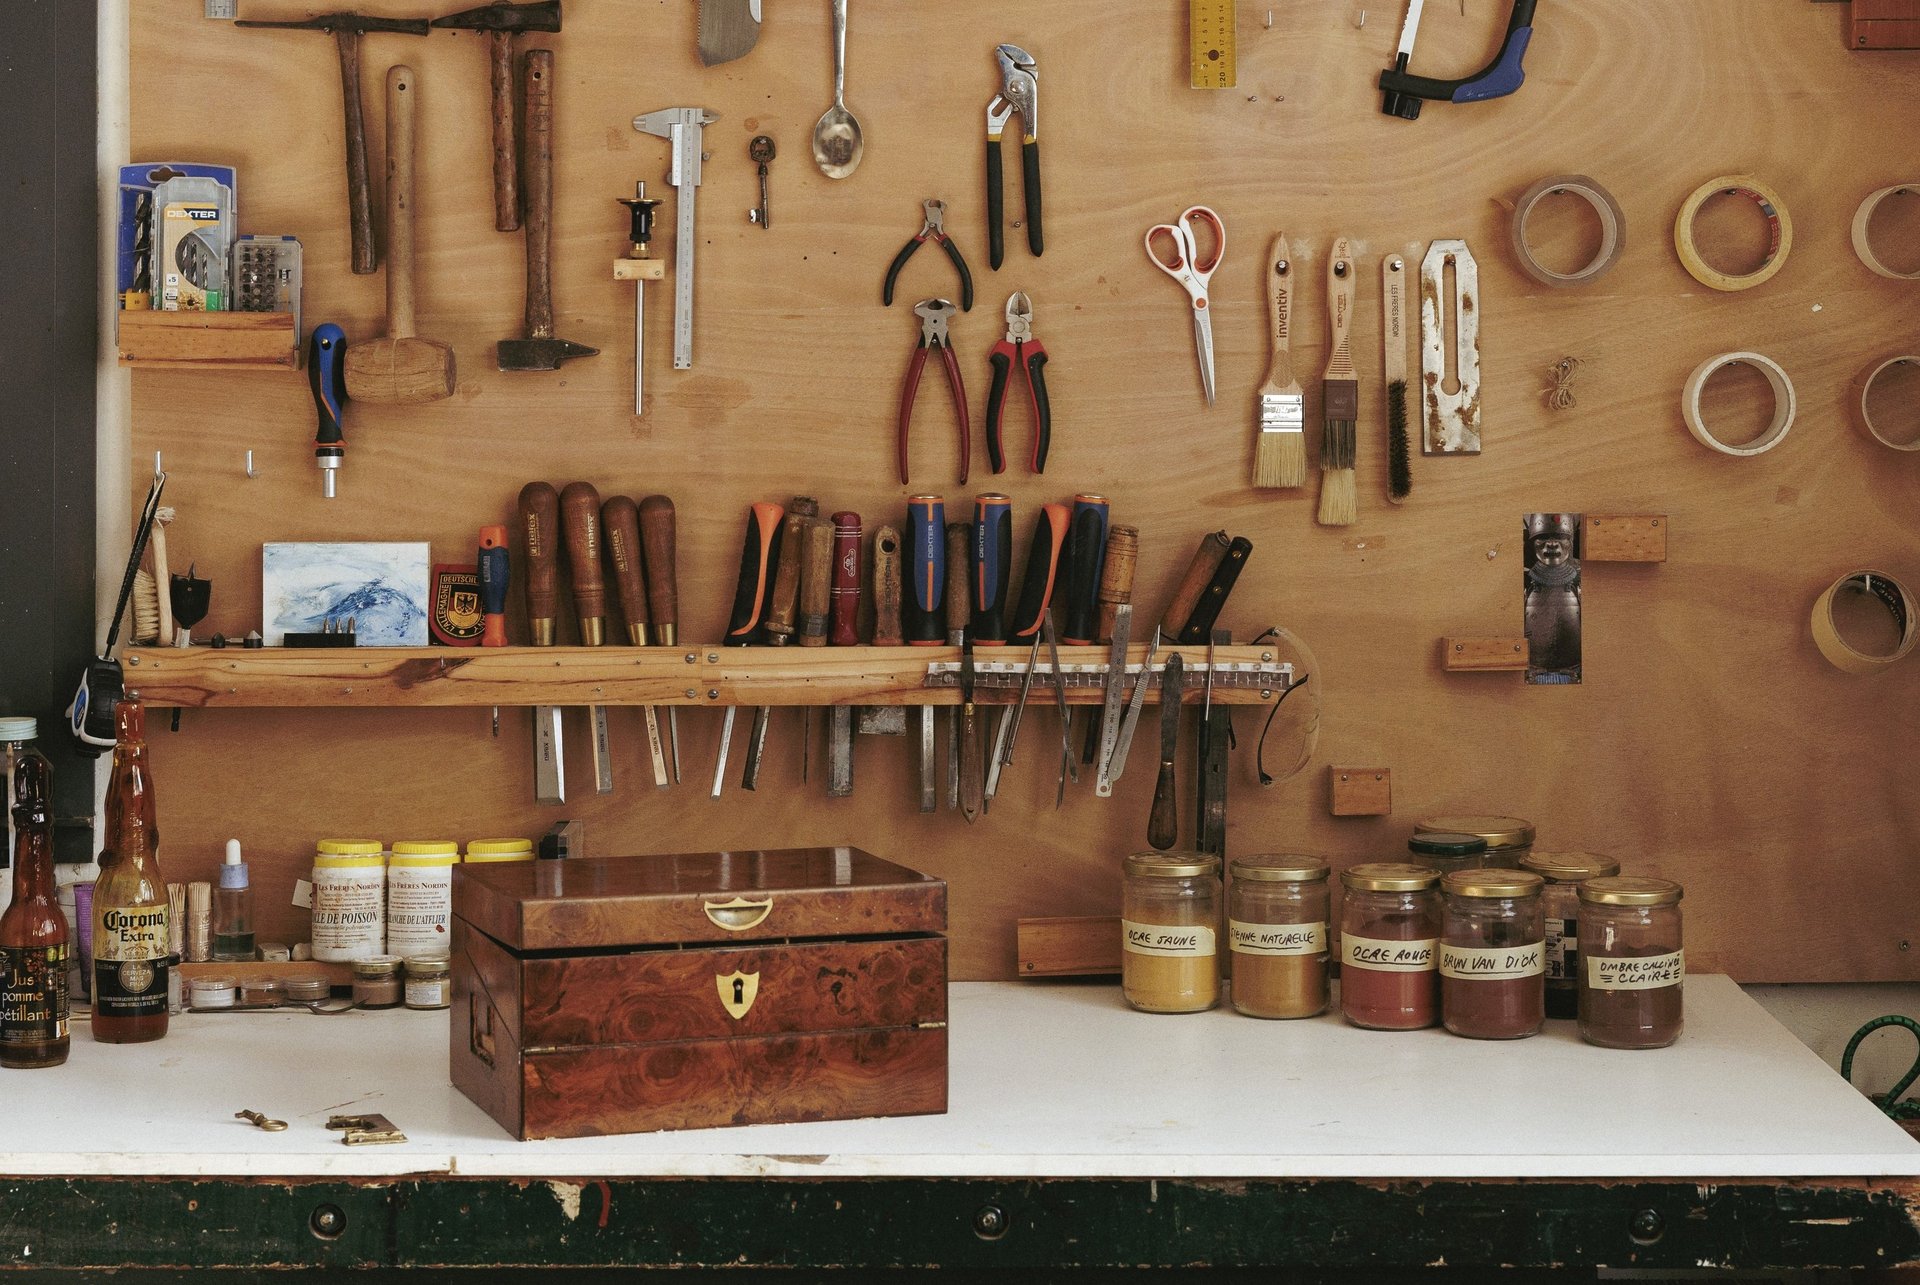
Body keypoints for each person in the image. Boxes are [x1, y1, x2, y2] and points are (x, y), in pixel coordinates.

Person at [1524, 513, 1581, 684]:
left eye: (1559, 537)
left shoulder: (1581, 583)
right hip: (1532, 671)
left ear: (1570, 543)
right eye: (1542, 538)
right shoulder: (1524, 583)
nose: (1552, 544)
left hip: (1575, 671)